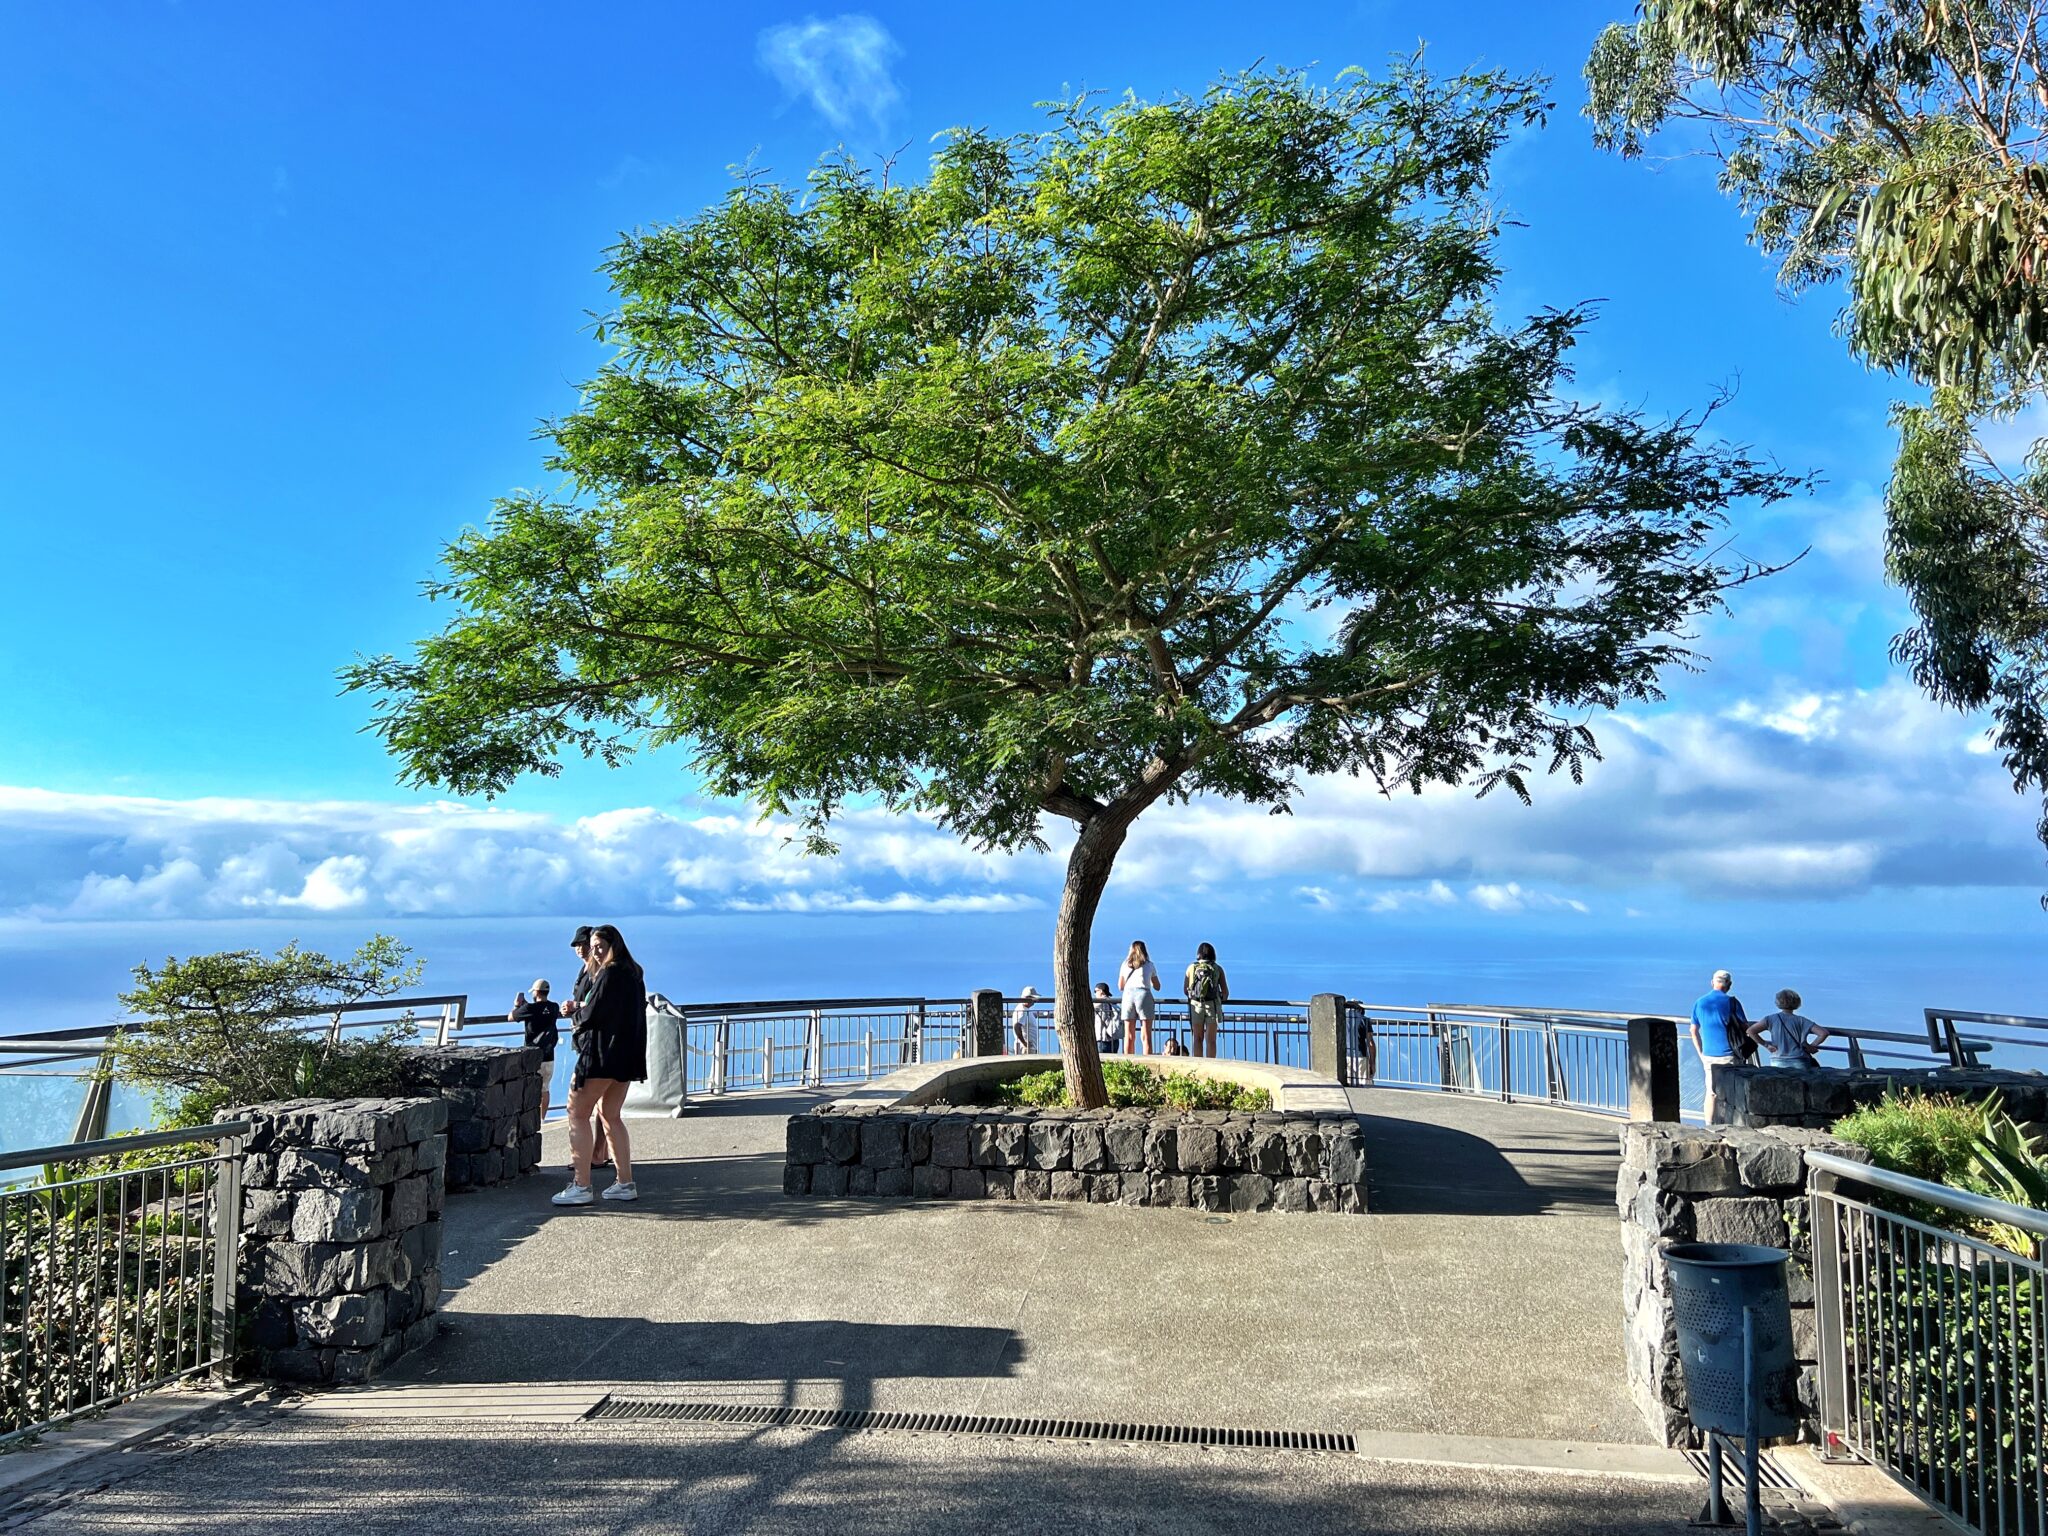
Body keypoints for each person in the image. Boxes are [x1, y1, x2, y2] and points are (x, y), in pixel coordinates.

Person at [552, 924, 647, 1207]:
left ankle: (581, 1185)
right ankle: (624, 1182)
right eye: (592, 946)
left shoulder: (609, 973)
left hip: (601, 1055)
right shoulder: (634, 974)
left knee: (576, 1113)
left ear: (613, 944)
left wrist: (574, 1011)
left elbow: (594, 1014)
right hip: (627, 1056)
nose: (594, 950)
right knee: (610, 1115)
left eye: (598, 945)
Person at [559, 926, 609, 1168]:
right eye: (577, 946)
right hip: (587, 1041)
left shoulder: (599, 970)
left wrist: (574, 1006)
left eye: (583, 945)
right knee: (603, 1106)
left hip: (594, 1044)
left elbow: (596, 1004)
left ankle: (593, 1156)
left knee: (580, 1107)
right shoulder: (587, 969)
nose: (579, 949)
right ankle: (598, 1153)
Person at [1690, 969, 1751, 1123]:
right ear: (1729, 985)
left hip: (1709, 1055)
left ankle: (1709, 1126)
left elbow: (1693, 1030)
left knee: (1711, 1093)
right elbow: (1745, 1027)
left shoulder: (1700, 1002)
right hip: (1730, 1054)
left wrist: (1701, 1053)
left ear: (1712, 983)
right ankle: (1730, 1126)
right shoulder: (1732, 1003)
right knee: (1732, 1093)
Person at [508, 979, 561, 1118]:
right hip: (549, 1055)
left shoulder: (529, 1009)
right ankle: (542, 1119)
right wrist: (525, 1005)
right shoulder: (554, 1007)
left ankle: (529, 1120)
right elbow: (543, 1012)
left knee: (529, 1088)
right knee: (545, 1089)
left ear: (536, 992)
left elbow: (511, 1017)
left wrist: (517, 1005)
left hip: (532, 1056)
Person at [1748, 988, 1830, 1070]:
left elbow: (1751, 1031)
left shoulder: (1770, 1019)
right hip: (1799, 1059)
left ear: (1778, 1002)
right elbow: (1823, 1033)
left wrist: (1766, 1045)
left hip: (1778, 1059)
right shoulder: (1802, 1020)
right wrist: (1812, 1046)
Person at [1183, 942, 1229, 1059]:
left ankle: (1198, 1065)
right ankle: (1211, 1065)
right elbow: (1225, 993)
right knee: (1211, 1040)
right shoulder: (1217, 968)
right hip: (1212, 1006)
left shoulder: (1191, 968)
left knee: (1197, 1038)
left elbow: (1185, 990)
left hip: (1195, 1005)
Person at [1119, 941, 1161, 1055]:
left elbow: (1120, 986)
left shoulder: (1125, 964)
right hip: (1143, 995)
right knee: (1146, 1034)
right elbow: (1157, 986)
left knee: (1129, 1034)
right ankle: (1147, 1063)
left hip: (1128, 996)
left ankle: (1127, 1062)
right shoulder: (1149, 965)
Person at [1010, 987, 1041, 1054]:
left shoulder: (1025, 1009)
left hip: (1029, 1047)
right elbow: (1017, 1026)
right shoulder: (1022, 1010)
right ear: (1026, 998)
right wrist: (1024, 1043)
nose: (1034, 1001)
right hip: (1025, 1048)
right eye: (1033, 999)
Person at [1092, 982, 1120, 1056]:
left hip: (1103, 1038)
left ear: (1101, 991)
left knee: (1102, 1063)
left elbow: (1087, 1007)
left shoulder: (1099, 1003)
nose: (1095, 994)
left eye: (1095, 991)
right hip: (1114, 1038)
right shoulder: (1114, 1003)